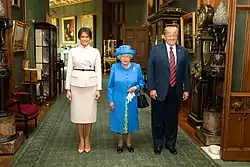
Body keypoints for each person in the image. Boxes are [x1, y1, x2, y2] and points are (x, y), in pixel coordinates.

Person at [147, 26, 190, 155]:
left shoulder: (183, 51)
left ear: (177, 37)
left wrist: (186, 89)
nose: (172, 37)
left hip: (175, 90)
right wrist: (152, 88)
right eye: (169, 35)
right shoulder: (155, 50)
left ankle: (171, 144)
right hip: (159, 90)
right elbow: (150, 71)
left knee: (172, 119)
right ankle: (158, 144)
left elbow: (186, 72)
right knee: (158, 119)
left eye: (174, 35)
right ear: (164, 36)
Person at [65, 27, 102, 153]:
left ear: (90, 38)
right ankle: (81, 139)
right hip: (76, 84)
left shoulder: (95, 51)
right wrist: (68, 89)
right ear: (79, 38)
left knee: (89, 114)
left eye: (87, 36)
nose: (84, 39)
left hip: (91, 84)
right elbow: (69, 70)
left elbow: (99, 71)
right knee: (78, 114)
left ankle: (88, 139)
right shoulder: (73, 51)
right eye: (82, 36)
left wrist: (98, 88)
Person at [107, 45, 144, 153]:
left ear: (131, 57)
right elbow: (110, 86)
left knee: (130, 120)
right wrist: (111, 100)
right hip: (117, 99)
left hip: (131, 100)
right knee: (119, 120)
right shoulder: (114, 67)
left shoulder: (136, 67)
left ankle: (128, 142)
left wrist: (136, 88)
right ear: (119, 57)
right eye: (122, 56)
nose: (125, 58)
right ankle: (119, 142)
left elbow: (142, 83)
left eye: (127, 56)